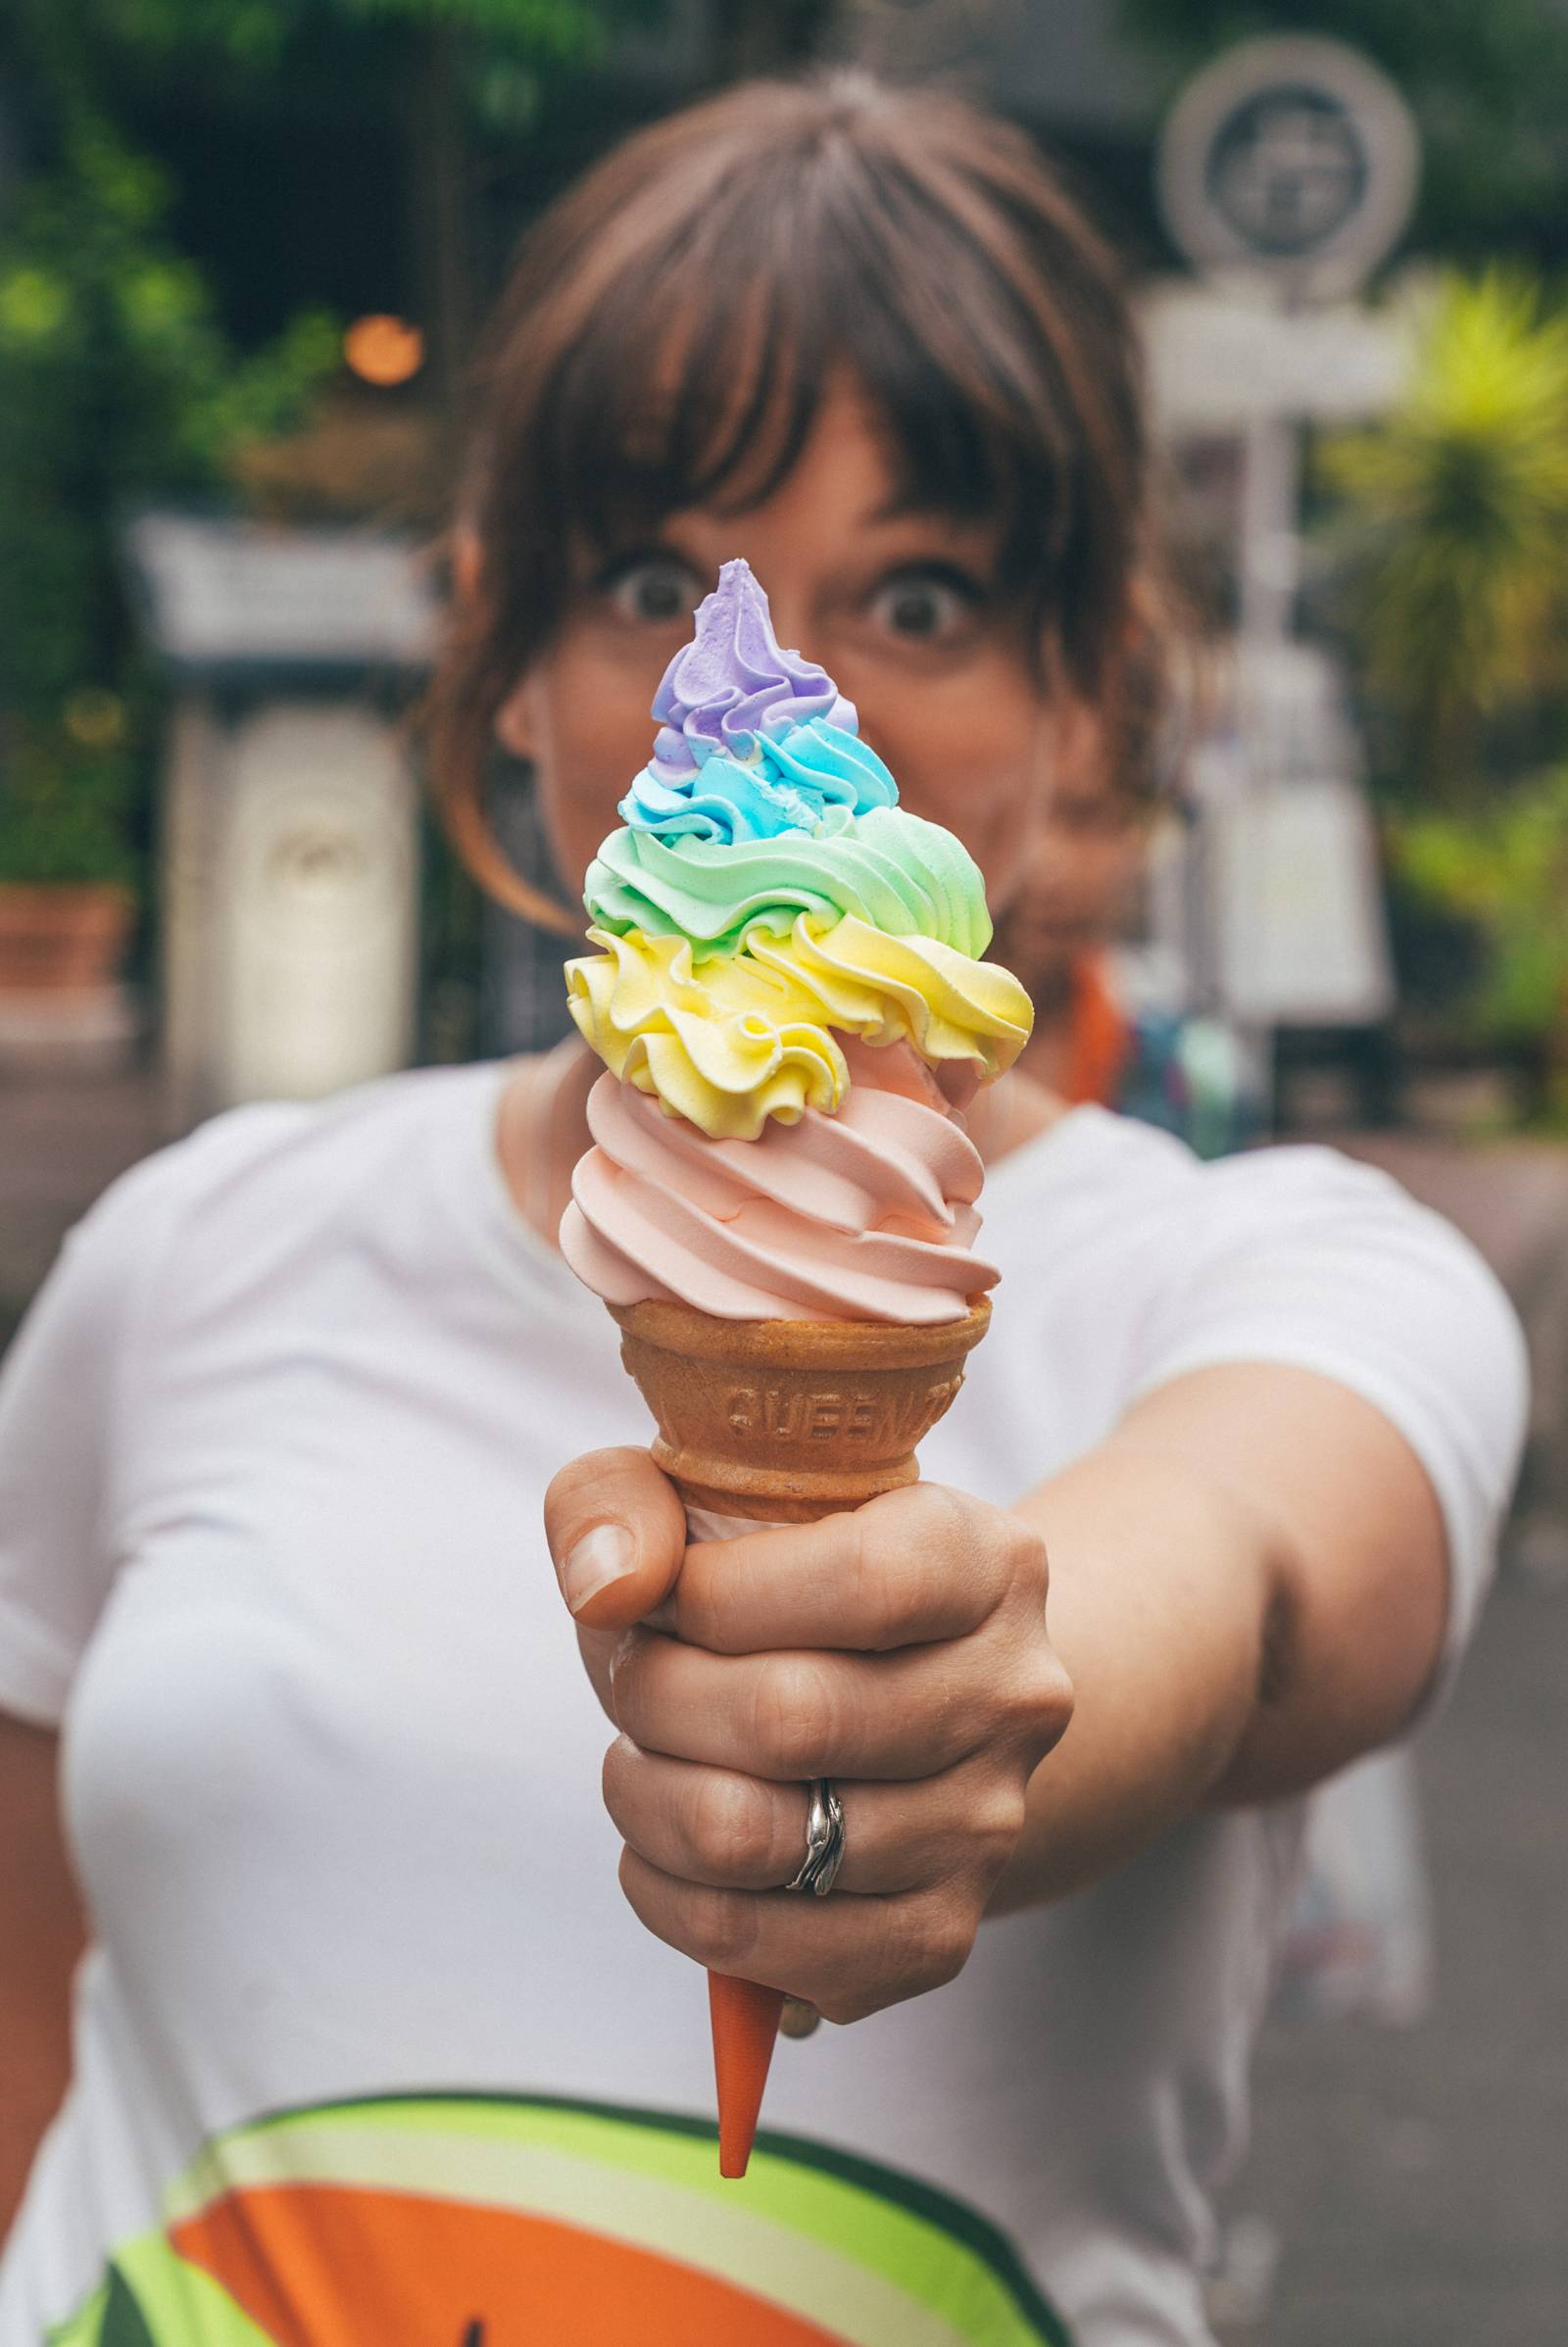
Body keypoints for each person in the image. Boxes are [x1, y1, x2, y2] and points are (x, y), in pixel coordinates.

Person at [0, 73, 1527, 2347]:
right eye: (649, 579)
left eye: (916, 592)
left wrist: (967, 1705)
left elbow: (1253, 1569)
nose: (777, 702)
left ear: (1082, 700)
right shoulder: (190, 1252)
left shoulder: (1284, 1266)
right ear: (505, 664)